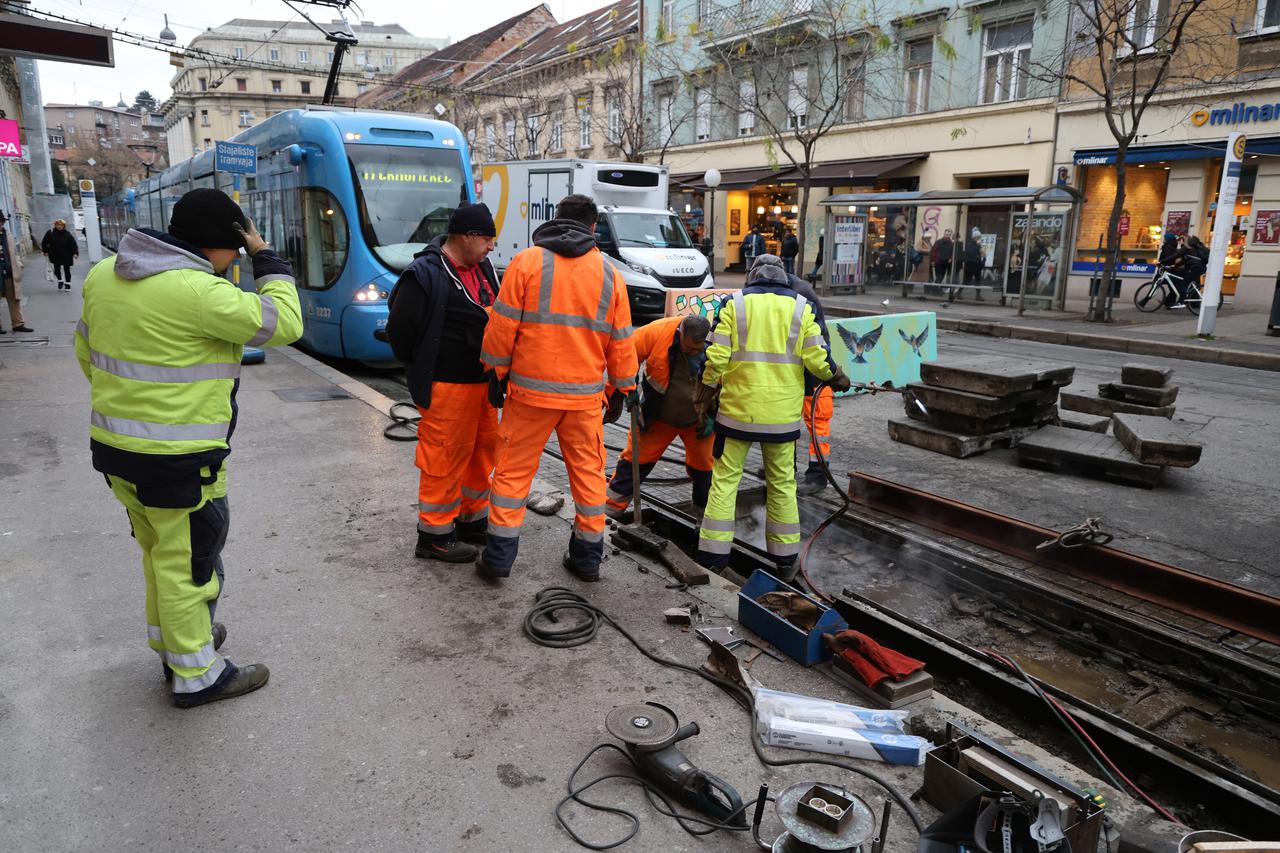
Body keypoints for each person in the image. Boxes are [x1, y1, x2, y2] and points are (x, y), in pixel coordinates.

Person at [75, 188, 302, 707]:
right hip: (177, 461)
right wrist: (266, 256)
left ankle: (175, 643)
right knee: (190, 565)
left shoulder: (102, 277)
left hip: (116, 450)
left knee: (158, 554)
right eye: (236, 250)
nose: (235, 260)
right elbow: (285, 323)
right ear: (218, 244)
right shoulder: (200, 293)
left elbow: (86, 353)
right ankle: (198, 675)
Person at [478, 194, 638, 582]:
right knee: (587, 475)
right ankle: (586, 559)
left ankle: (499, 557)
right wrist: (621, 388)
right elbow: (621, 339)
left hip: (529, 396)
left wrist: (495, 373)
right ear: (594, 227)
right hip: (584, 399)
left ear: (556, 219)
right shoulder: (609, 273)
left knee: (513, 475)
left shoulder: (527, 262)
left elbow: (502, 326)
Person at [695, 263, 851, 577]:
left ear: (751, 277)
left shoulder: (734, 304)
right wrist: (837, 376)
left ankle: (713, 558)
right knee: (782, 485)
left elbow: (715, 359)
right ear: (785, 279)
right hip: (781, 419)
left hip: (737, 415)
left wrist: (705, 392)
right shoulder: (800, 307)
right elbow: (817, 359)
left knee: (725, 483)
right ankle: (785, 559)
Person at [386, 203, 500, 564]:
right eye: (487, 238)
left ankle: (471, 519)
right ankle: (435, 534)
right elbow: (400, 333)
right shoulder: (424, 273)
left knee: (482, 452)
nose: (492, 246)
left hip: (483, 383)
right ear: (466, 236)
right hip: (447, 386)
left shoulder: (483, 268)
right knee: (445, 458)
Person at [605, 314, 714, 518]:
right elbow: (625, 357)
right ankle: (607, 514)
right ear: (681, 334)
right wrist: (627, 391)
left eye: (699, 349)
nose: (695, 353)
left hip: (699, 422)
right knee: (633, 464)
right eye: (690, 348)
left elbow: (736, 383)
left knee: (705, 472)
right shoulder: (657, 331)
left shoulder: (721, 343)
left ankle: (705, 524)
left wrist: (714, 418)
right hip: (658, 417)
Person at [749, 254, 838, 496]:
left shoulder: (801, 292)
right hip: (789, 370)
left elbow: (816, 338)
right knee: (782, 422)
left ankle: (818, 476)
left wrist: (826, 370)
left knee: (817, 423)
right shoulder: (769, 289)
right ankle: (783, 470)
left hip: (811, 369)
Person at [1, 211, 32, 334]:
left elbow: (14, 252)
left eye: (1, 222)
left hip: (9, 272)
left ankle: (18, 324)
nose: (0, 224)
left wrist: (19, 264)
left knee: (14, 299)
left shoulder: (7, 235)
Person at [42, 219, 80, 291]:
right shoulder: (51, 232)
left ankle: (68, 284)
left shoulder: (68, 234)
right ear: (55, 225)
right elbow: (44, 242)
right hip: (55, 254)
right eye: (57, 225)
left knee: (67, 270)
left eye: (61, 225)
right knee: (56, 269)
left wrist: (75, 253)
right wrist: (45, 251)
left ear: (64, 226)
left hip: (66, 254)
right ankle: (60, 280)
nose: (59, 226)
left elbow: (73, 244)